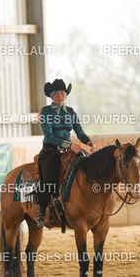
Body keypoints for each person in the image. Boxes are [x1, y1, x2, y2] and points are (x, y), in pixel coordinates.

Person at [37, 79, 95, 227]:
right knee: (49, 177)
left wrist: (89, 142)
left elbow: (79, 132)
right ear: (51, 95)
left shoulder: (70, 112)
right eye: (56, 93)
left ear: (66, 95)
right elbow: (49, 136)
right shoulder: (46, 111)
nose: (59, 96)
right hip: (51, 149)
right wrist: (69, 145)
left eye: (62, 93)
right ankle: (41, 212)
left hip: (69, 149)